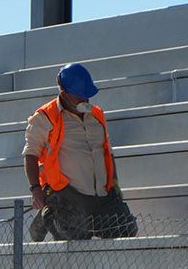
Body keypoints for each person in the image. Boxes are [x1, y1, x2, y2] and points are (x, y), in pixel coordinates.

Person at [24, 63, 138, 240]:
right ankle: (49, 212)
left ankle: (92, 217)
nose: (85, 101)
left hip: (101, 194)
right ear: (64, 93)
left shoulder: (97, 115)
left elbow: (107, 153)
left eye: (87, 96)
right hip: (67, 193)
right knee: (76, 235)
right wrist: (35, 189)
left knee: (124, 229)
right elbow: (30, 154)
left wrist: (114, 185)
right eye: (80, 97)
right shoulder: (45, 116)